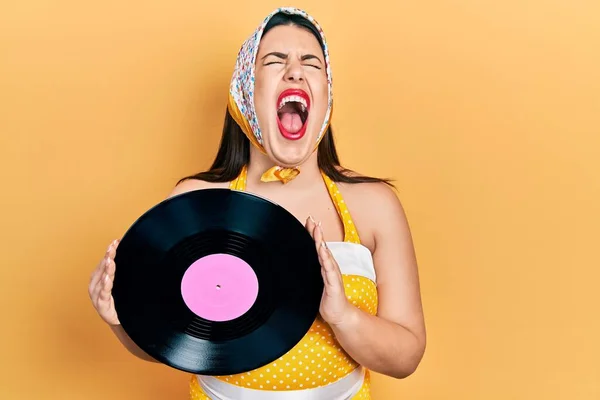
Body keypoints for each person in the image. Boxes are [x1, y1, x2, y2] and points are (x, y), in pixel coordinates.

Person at [88, 7, 426, 399]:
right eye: (275, 60)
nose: (295, 71)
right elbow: (172, 341)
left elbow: (406, 357)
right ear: (245, 92)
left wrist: (342, 316)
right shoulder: (196, 202)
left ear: (327, 95)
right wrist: (119, 320)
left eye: (311, 62)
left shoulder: (375, 205)